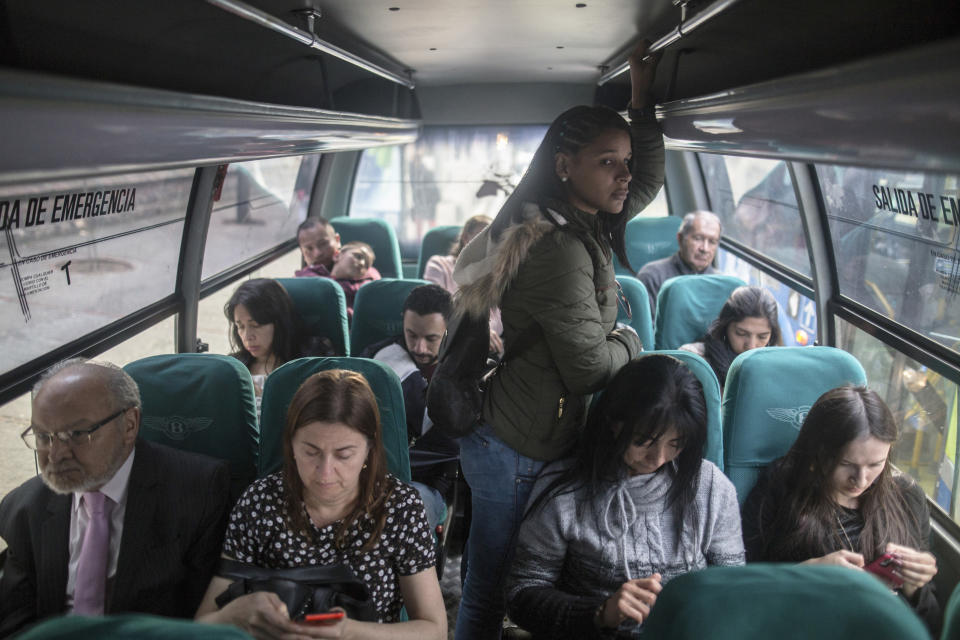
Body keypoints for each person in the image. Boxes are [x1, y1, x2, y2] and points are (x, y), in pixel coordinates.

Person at [447, 41, 663, 639]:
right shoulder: (559, 249)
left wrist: (640, 104)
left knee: (499, 578)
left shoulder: (578, 217)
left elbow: (641, 185)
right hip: (515, 447)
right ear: (566, 165)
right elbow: (592, 369)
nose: (623, 176)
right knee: (489, 587)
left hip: (531, 432)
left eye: (624, 161)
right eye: (607, 162)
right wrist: (629, 339)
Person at [195, 369, 446, 639]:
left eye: (344, 455)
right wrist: (233, 616)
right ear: (291, 445)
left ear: (368, 450)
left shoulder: (400, 508)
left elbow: (434, 629)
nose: (325, 473)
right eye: (311, 452)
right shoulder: (259, 503)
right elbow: (203, 624)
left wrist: (348, 631)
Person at [506, 356, 744, 639]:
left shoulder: (711, 489)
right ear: (614, 423)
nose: (658, 459)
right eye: (644, 440)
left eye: (675, 444)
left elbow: (731, 588)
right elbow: (522, 594)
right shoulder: (566, 493)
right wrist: (601, 613)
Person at [0, 359, 231, 637]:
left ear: (130, 424)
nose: (56, 454)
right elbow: (15, 627)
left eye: (76, 434)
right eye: (43, 436)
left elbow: (196, 623)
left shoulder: (198, 491)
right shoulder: (23, 508)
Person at [741, 385, 940, 633]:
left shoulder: (907, 497)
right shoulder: (780, 487)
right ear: (818, 452)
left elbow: (930, 624)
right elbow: (744, 594)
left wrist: (915, 588)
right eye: (846, 464)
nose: (861, 479)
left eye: (876, 464)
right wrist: (807, 574)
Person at [363, 284, 458, 530]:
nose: (419, 348)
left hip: (425, 483)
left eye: (431, 338)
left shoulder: (466, 373)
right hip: (365, 473)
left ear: (450, 330)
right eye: (411, 335)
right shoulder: (378, 359)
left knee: (400, 517)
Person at [224, 278, 333, 406]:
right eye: (240, 327)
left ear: (279, 322)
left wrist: (265, 399)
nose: (247, 336)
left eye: (256, 325)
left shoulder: (312, 360)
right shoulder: (234, 366)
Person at [423, 214, 503, 352]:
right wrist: (477, 331)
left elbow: (499, 320)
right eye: (482, 237)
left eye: (493, 239)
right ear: (466, 238)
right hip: (447, 342)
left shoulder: (497, 274)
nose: (488, 244)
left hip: (488, 347)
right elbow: (436, 307)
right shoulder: (439, 264)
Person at [678, 285, 782, 388]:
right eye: (741, 333)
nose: (751, 346)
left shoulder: (777, 365)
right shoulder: (693, 359)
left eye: (762, 337)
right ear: (725, 326)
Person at [636, 210, 721, 317]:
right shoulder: (652, 276)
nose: (705, 248)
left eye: (712, 242)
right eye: (698, 239)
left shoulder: (722, 283)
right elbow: (647, 329)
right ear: (680, 239)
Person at [295, 217, 383, 280]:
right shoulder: (300, 281)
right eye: (309, 249)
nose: (317, 253)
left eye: (323, 244)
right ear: (303, 254)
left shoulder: (366, 274)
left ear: (337, 240)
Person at [329, 241, 380, 320]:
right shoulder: (315, 277)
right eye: (358, 256)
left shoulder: (367, 287)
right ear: (337, 255)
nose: (362, 263)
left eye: (367, 265)